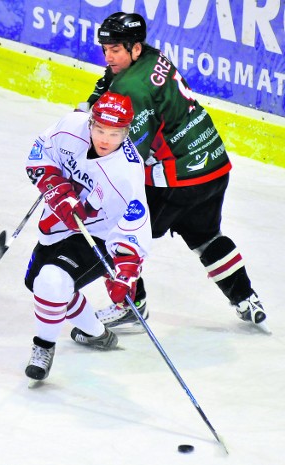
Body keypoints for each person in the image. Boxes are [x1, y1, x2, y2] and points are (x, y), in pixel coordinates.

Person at [86, 12, 267, 331]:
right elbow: (114, 83)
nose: (108, 56)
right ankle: (246, 298)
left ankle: (130, 304)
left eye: (115, 49)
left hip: (178, 179)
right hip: (214, 165)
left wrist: (86, 170)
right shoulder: (153, 57)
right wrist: (101, 93)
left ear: (134, 48)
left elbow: (129, 156)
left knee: (112, 229)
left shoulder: (132, 89)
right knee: (205, 236)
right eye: (105, 49)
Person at [23, 91, 151, 381]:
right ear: (90, 122)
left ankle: (43, 349)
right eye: (100, 130)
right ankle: (96, 334)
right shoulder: (70, 127)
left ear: (126, 133)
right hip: (58, 223)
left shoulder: (126, 173)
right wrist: (56, 189)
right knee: (40, 285)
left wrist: (126, 271)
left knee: (51, 281)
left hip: (100, 236)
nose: (105, 139)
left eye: (115, 133)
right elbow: (39, 154)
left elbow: (134, 225)